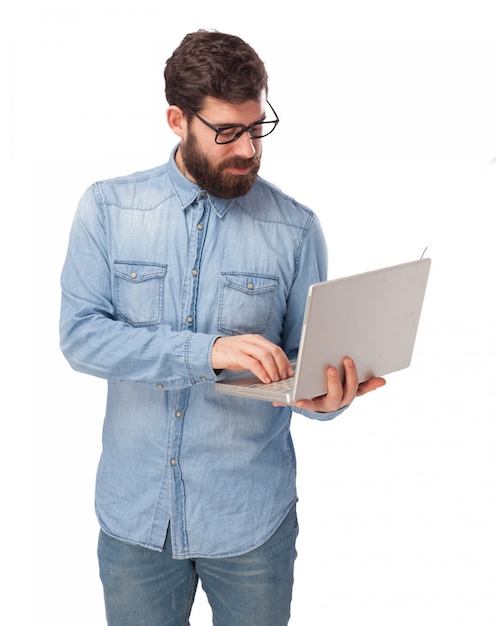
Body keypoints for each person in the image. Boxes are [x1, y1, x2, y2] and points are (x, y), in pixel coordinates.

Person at [60, 29, 385, 626]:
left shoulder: (296, 229)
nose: (249, 149)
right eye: (228, 132)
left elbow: (303, 365)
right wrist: (204, 351)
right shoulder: (107, 209)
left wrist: (327, 397)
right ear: (177, 120)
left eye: (257, 127)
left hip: (251, 522)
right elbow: (81, 337)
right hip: (135, 520)